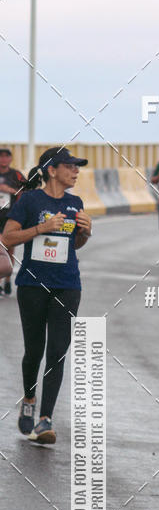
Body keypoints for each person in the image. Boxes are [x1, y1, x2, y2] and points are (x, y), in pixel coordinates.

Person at [2, 146, 92, 444]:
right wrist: (42, 227)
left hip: (67, 284)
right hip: (32, 284)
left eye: (78, 167)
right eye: (70, 166)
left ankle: (45, 419)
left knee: (57, 350)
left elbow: (74, 245)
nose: (76, 171)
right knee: (34, 351)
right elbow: (7, 237)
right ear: (52, 170)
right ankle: (29, 398)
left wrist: (84, 233)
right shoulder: (30, 200)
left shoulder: (75, 201)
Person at [0, 147, 26, 295]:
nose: (3, 159)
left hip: (11, 218)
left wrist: (9, 190)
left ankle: (8, 281)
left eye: (6, 156)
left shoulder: (16, 175)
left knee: (9, 251)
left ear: (10, 159)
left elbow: (27, 191)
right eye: (1, 156)